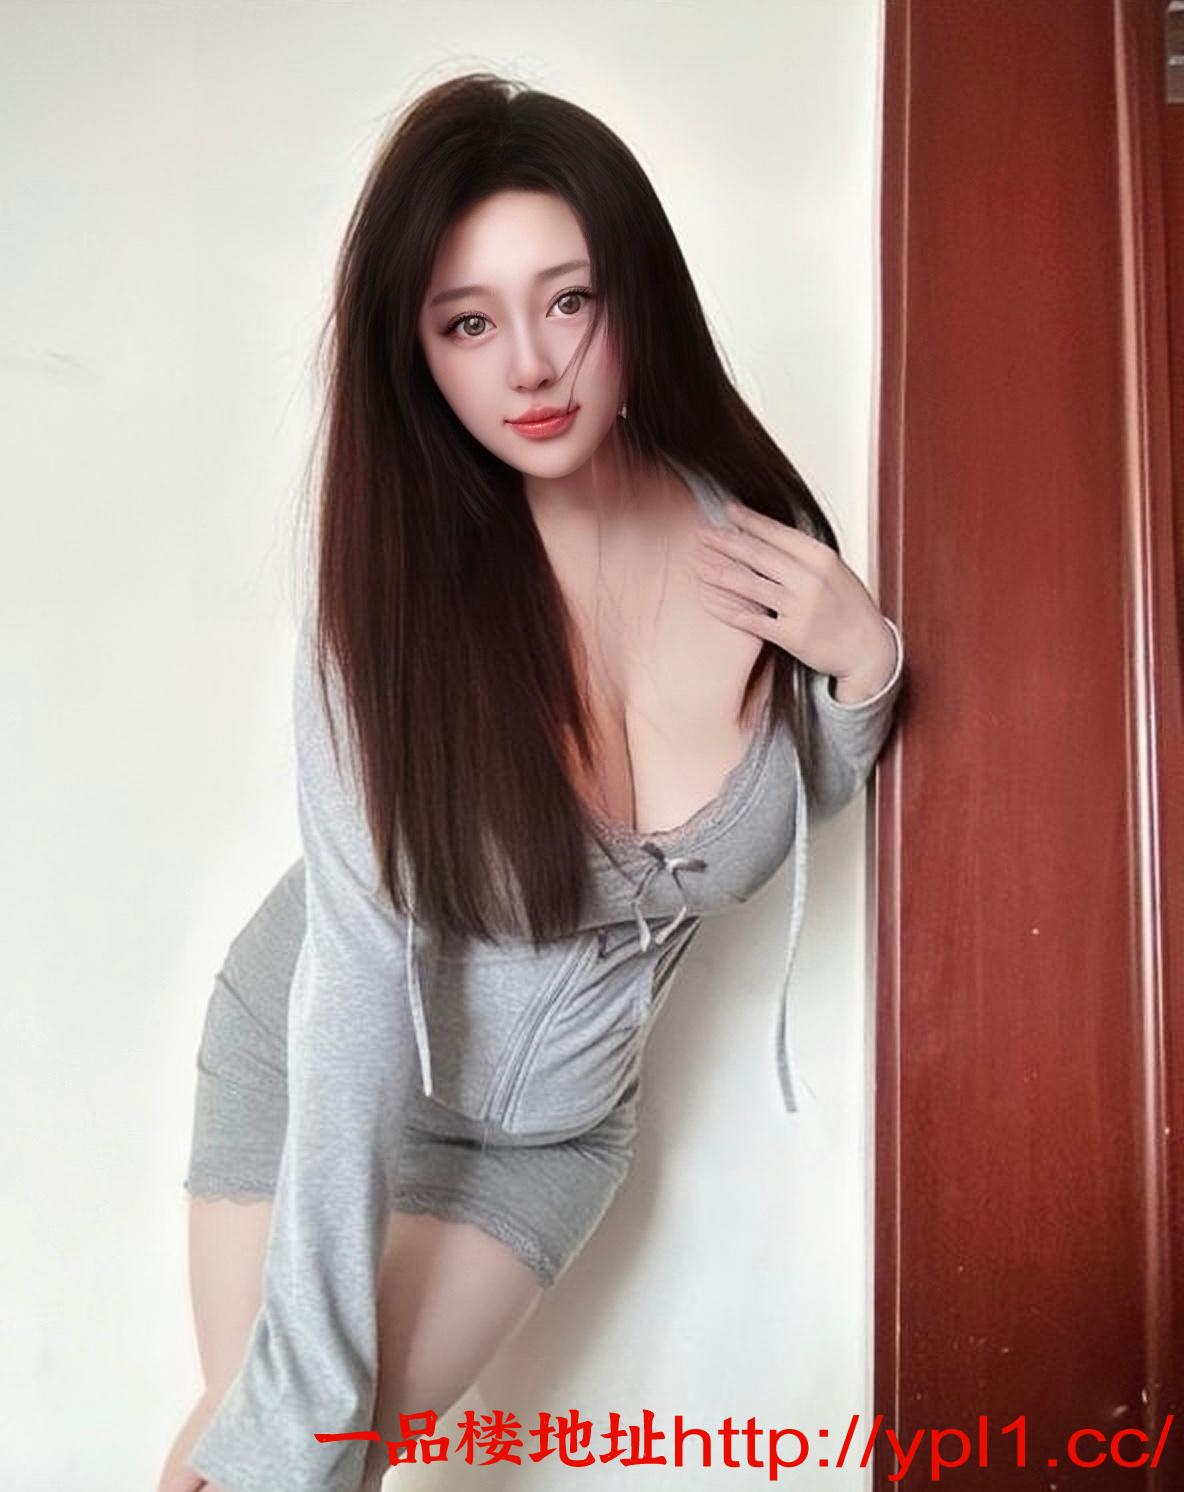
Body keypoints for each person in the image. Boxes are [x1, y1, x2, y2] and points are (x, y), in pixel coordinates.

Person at [156, 71, 905, 1492]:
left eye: (570, 301)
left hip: (545, 1136)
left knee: (326, 1450)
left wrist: (864, 668)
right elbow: (360, 977)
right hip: (322, 1052)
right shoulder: (388, 602)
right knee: (269, 1443)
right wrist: (301, 1407)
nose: (531, 368)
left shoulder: (756, 539)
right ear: (417, 350)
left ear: (638, 298)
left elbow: (772, 807)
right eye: (469, 323)